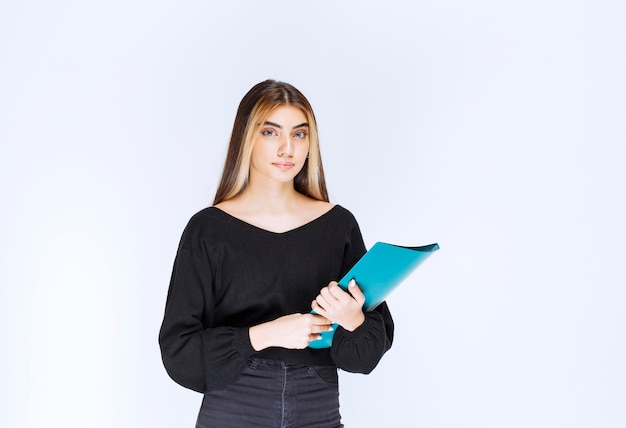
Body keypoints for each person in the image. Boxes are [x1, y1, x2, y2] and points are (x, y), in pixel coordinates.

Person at [159, 79, 394, 427]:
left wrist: (352, 319)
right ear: (246, 138)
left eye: (299, 134)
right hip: (234, 409)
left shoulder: (338, 225)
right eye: (271, 132)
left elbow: (365, 357)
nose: (287, 148)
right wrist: (266, 334)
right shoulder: (208, 230)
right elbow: (179, 351)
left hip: (318, 411)